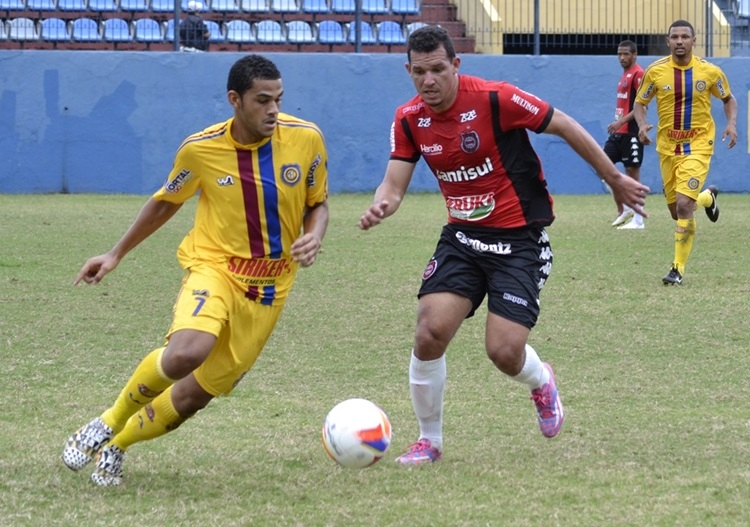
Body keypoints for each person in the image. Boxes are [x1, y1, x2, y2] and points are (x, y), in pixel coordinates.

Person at [358, 25, 648, 465]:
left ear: (456, 65)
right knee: (429, 333)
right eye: (419, 72)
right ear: (409, 71)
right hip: (462, 239)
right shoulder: (408, 119)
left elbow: (565, 125)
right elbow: (393, 184)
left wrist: (614, 178)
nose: (429, 80)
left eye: (438, 69)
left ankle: (541, 381)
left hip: (519, 240)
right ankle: (428, 440)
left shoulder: (496, 98)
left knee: (504, 352)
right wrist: (383, 205)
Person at [61, 54, 329, 486]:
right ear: (235, 100)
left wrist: (314, 234)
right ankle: (106, 422)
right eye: (263, 101)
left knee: (191, 398)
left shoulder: (307, 139)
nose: (274, 110)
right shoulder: (200, 149)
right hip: (215, 266)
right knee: (187, 351)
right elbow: (167, 201)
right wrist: (115, 254)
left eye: (278, 99)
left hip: (270, 288)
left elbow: (318, 203)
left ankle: (117, 447)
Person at [634, 19, 737, 285]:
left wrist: (732, 123)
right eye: (674, 37)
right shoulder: (655, 71)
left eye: (684, 37)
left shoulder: (710, 71)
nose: (679, 41)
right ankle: (707, 199)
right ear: (668, 42)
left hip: (699, 145)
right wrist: (642, 124)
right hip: (668, 148)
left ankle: (677, 269)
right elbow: (640, 103)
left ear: (693, 41)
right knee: (676, 211)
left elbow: (728, 98)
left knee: (682, 205)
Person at [605, 40, 647, 230]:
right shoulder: (625, 75)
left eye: (626, 54)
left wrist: (622, 122)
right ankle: (624, 209)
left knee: (633, 175)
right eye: (619, 54)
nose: (622, 57)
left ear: (635, 55)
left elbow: (642, 105)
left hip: (630, 132)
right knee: (603, 168)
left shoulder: (638, 74)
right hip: (618, 133)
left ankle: (638, 220)